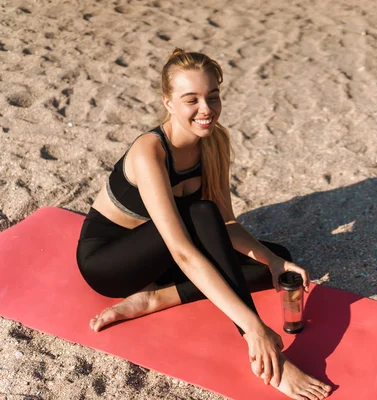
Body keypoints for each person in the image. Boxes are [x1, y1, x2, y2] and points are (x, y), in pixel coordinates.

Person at [76, 48, 331, 400]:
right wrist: (255, 327)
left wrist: (270, 261)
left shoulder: (214, 142)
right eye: (191, 100)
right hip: (109, 263)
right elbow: (183, 250)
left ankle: (156, 298)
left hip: (165, 257)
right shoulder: (150, 151)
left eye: (212, 96)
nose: (206, 109)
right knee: (200, 213)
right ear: (168, 103)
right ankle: (268, 360)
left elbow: (226, 223)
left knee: (274, 259)